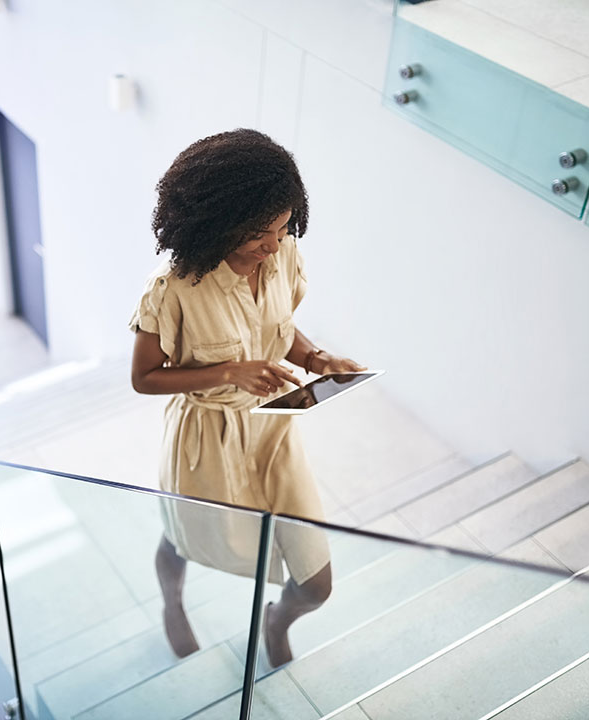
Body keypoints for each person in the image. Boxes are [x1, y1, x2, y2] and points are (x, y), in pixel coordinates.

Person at [129, 129, 365, 667]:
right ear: (219, 224)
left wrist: (318, 358)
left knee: (317, 583)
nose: (274, 246)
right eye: (261, 235)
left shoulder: (280, 256)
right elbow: (144, 377)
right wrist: (229, 371)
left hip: (274, 428)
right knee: (183, 536)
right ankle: (172, 602)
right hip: (206, 436)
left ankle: (277, 621)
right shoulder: (173, 288)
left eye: (283, 230)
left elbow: (279, 326)